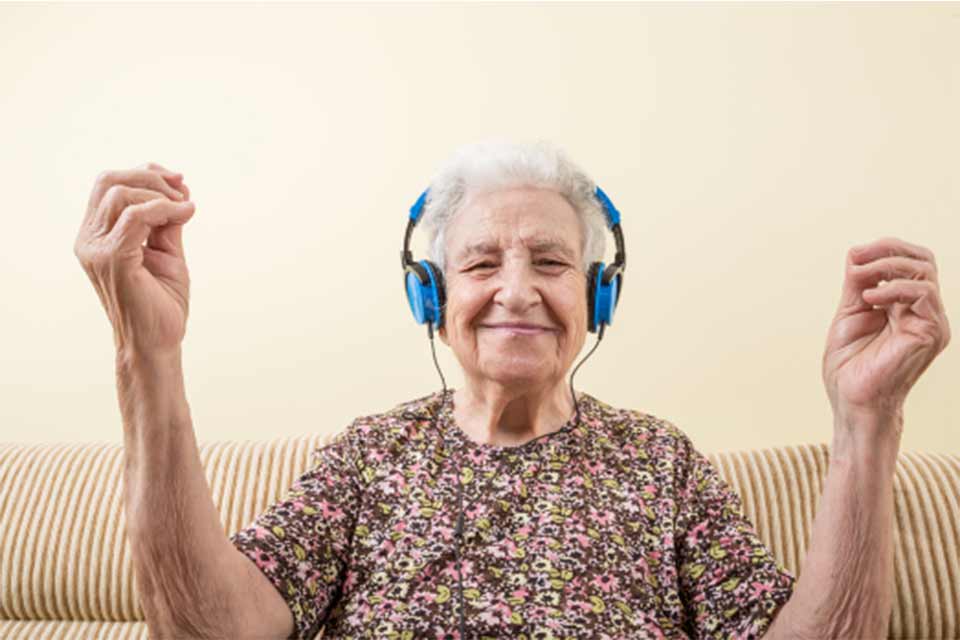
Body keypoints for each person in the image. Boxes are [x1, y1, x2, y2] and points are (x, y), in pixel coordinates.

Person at [74, 140, 951, 640]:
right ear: (433, 296)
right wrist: (144, 355)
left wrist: (867, 418)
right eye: (482, 262)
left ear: (597, 296)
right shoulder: (370, 456)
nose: (518, 290)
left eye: (554, 262)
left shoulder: (660, 462)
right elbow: (212, 633)